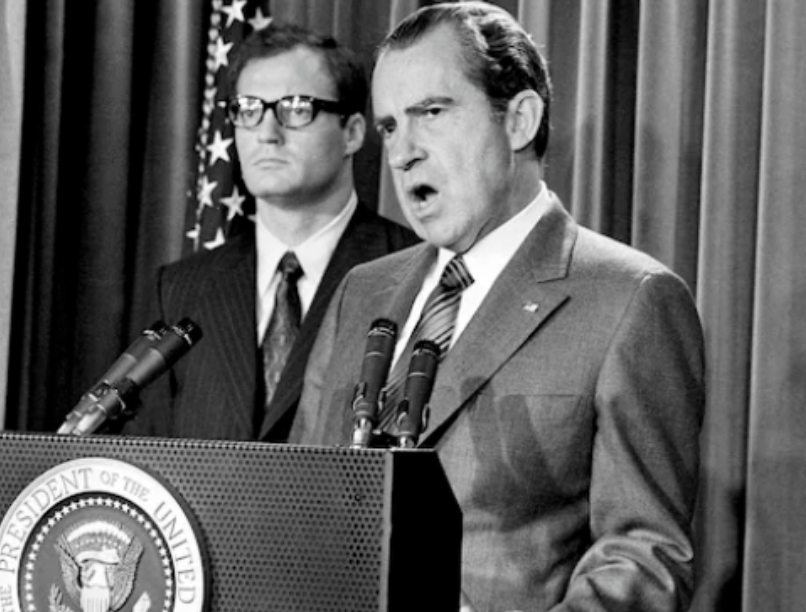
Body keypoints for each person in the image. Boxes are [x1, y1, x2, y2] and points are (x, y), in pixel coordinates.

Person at [290, 3, 705, 612]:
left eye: (431, 113)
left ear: (519, 120)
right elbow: (297, 501)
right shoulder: (362, 292)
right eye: (390, 127)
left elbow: (644, 557)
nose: (402, 153)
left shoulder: (630, 299)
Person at [123, 24, 417, 442]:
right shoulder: (181, 288)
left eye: (295, 109)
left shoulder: (412, 269)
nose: (266, 133)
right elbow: (150, 455)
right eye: (248, 109)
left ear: (352, 132)